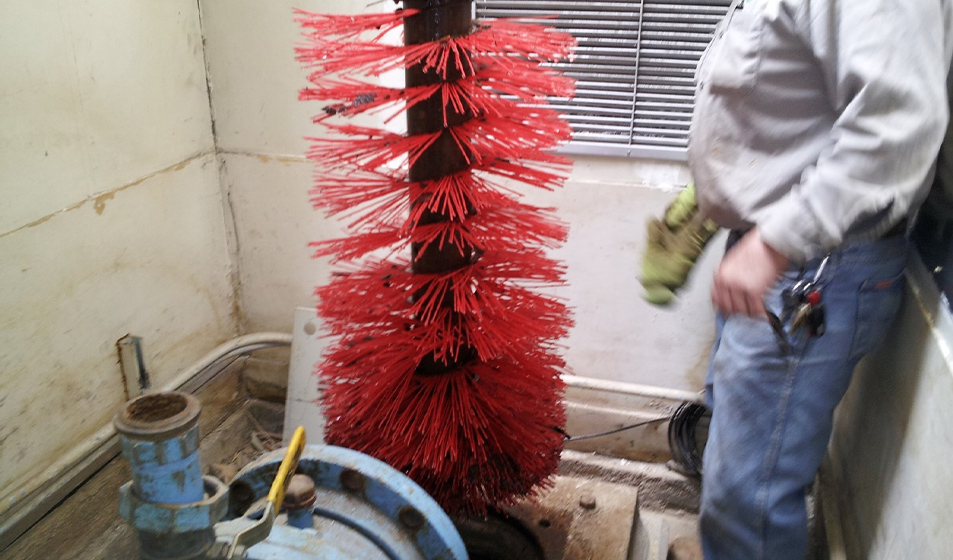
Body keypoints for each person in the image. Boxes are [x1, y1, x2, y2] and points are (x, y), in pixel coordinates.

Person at [688, 1, 953, 559]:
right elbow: (782, 104)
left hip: (808, 267)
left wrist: (774, 242)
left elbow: (896, 128)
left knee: (748, 499)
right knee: (737, 459)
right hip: (777, 254)